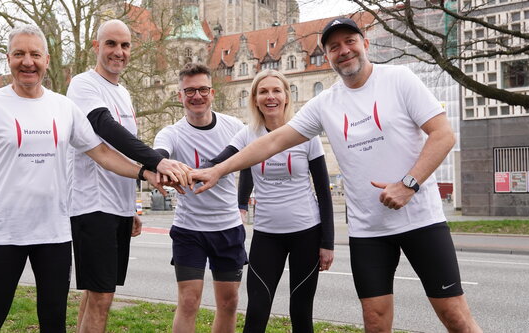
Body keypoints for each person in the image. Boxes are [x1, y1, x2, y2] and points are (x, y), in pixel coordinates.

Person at [191, 18, 481, 333]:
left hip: (421, 221)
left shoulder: (399, 79)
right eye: (334, 47)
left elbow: (443, 135)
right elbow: (271, 142)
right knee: (374, 321)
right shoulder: (324, 103)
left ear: (365, 44)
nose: (343, 51)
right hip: (368, 231)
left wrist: (408, 184)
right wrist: (218, 170)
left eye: (349, 42)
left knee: (455, 316)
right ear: (328, 56)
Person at [0, 24, 163, 333]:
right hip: (4, 234)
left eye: (35, 54)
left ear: (47, 59)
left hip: (54, 234)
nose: (28, 62)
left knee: (54, 323)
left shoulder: (63, 107)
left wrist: (144, 172)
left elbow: (101, 153)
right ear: (8, 58)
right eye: (20, 54)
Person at [65, 19, 191, 333]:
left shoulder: (124, 92)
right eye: (111, 44)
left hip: (117, 208)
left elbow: (122, 153)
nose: (118, 52)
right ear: (96, 47)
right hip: (92, 206)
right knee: (103, 297)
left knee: (96, 293)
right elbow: (105, 127)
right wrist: (157, 163)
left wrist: (131, 206)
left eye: (125, 45)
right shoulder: (83, 84)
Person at [213, 69, 335, 332]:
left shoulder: (306, 134)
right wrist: (190, 171)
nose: (270, 97)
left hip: (307, 232)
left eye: (276, 91)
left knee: (301, 311)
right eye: (263, 92)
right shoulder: (249, 134)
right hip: (267, 234)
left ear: (287, 97)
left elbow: (324, 192)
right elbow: (224, 159)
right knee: (257, 310)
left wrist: (327, 243)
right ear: (255, 99)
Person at [153, 63, 246, 333]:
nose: (197, 96)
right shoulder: (171, 132)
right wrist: (161, 166)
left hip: (227, 228)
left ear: (212, 92)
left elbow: (248, 161)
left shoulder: (234, 126)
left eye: (203, 89)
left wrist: (242, 204)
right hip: (189, 229)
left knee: (229, 302)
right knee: (189, 301)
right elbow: (159, 154)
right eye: (189, 90)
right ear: (180, 96)